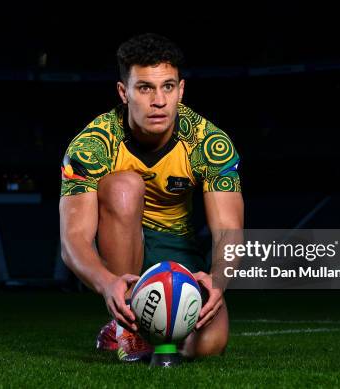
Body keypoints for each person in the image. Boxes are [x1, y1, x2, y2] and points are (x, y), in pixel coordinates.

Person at [59, 33, 244, 361]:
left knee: (208, 345)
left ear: (181, 90)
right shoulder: (92, 146)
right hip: (124, 249)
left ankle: (150, 324)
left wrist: (218, 279)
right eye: (145, 88)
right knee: (123, 187)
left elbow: (228, 231)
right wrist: (106, 283)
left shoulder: (209, 144)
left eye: (168, 87)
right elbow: (73, 240)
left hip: (178, 249)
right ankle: (126, 328)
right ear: (124, 92)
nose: (158, 100)